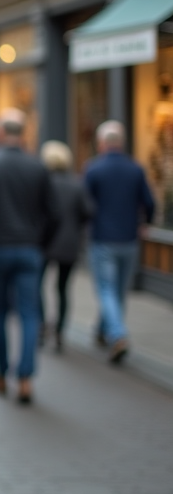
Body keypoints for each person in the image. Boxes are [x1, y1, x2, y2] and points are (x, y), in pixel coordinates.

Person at [0, 109, 57, 404]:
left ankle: (2, 375)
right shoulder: (38, 167)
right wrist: (40, 244)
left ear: (1, 132)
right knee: (30, 314)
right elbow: (53, 214)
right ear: (23, 134)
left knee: (0, 313)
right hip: (29, 249)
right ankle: (26, 378)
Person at [83, 121, 155, 364]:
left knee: (106, 289)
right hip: (129, 238)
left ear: (102, 143)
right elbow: (150, 202)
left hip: (103, 238)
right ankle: (104, 331)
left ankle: (117, 334)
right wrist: (146, 223)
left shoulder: (93, 169)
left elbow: (84, 204)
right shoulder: (135, 169)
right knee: (117, 291)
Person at [38, 141, 93, 353]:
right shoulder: (76, 184)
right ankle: (60, 331)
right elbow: (88, 212)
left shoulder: (43, 183)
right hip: (68, 244)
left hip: (44, 242)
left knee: (37, 286)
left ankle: (42, 325)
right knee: (62, 289)